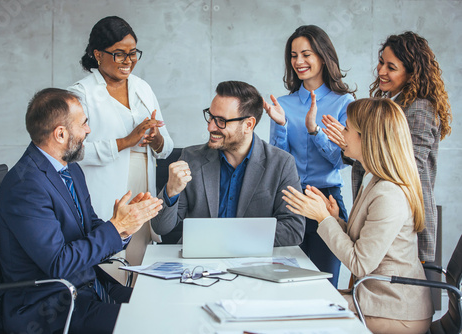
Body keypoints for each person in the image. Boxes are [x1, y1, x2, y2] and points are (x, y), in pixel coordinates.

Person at [0, 88, 163, 334]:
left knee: (164, 305)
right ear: (61, 133)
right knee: (149, 325)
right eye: (84, 123)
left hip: (87, 286)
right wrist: (114, 228)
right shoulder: (24, 186)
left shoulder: (70, 170)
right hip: (48, 306)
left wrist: (125, 226)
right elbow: (59, 263)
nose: (88, 130)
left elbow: (89, 229)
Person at [283, 98, 433, 334]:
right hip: (376, 300)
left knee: (297, 317)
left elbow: (360, 263)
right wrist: (335, 219)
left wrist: (324, 219)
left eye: (347, 128)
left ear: (367, 138)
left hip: (395, 312)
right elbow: (366, 242)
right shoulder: (373, 180)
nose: (341, 134)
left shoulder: (389, 194)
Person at [322, 31, 452, 263]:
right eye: (381, 62)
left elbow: (408, 168)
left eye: (391, 67)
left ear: (412, 73)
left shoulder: (419, 108)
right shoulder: (394, 102)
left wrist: (352, 144)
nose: (381, 71)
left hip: (407, 222)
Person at [68, 16, 174, 270]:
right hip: (106, 191)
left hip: (142, 186)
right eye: (119, 54)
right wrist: (126, 141)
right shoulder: (80, 94)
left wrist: (156, 139)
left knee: (139, 265)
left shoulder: (143, 88)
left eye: (133, 53)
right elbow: (73, 152)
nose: (128, 61)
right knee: (109, 264)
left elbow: (167, 147)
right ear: (97, 54)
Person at [151, 81, 305, 246]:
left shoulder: (281, 164)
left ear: (248, 125)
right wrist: (171, 191)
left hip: (254, 262)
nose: (210, 127)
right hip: (199, 263)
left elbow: (293, 230)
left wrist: (227, 237)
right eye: (210, 116)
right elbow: (161, 227)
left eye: (221, 121)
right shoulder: (191, 158)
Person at [263, 25, 355, 286]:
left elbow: (341, 160)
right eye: (293, 55)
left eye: (306, 54)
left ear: (323, 56)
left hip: (326, 199)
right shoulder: (284, 104)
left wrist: (315, 131)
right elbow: (277, 162)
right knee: (286, 282)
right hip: (290, 199)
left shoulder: (344, 102)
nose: (299, 62)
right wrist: (281, 126)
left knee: (324, 283)